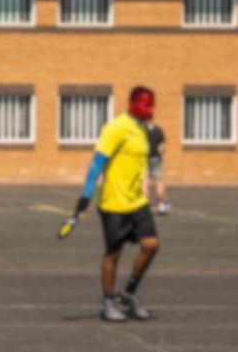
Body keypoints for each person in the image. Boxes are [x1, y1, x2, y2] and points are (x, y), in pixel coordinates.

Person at [67, 86, 161, 322]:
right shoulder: (116, 128)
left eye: (152, 104)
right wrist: (85, 195)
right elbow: (96, 162)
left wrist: (145, 188)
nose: (150, 109)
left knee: (151, 245)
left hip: (136, 202)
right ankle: (108, 301)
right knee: (113, 253)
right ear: (132, 103)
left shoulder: (141, 129)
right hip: (113, 203)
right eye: (146, 104)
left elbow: (141, 165)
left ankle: (128, 292)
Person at [144, 116, 170, 214]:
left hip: (144, 158)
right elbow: (163, 146)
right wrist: (160, 152)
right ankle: (162, 204)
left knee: (144, 182)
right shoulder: (158, 130)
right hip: (156, 158)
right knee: (158, 182)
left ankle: (145, 206)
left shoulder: (141, 130)